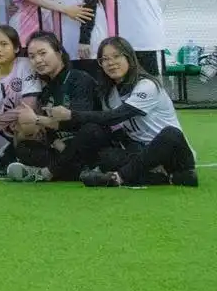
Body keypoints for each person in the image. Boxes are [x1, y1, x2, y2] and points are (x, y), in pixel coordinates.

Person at [54, 37, 197, 188]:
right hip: (142, 152)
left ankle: (117, 178)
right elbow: (121, 133)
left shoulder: (147, 85)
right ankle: (164, 177)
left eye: (116, 56)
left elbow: (115, 116)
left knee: (171, 133)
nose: (111, 63)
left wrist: (72, 115)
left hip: (172, 153)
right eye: (105, 59)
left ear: (129, 58)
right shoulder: (109, 94)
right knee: (106, 156)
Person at [5, 32, 106, 183]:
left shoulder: (80, 79)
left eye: (43, 53)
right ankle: (78, 171)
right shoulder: (46, 91)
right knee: (24, 148)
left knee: (91, 130)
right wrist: (56, 143)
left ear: (59, 53)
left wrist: (37, 119)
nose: (38, 60)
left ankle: (47, 172)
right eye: (32, 57)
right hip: (64, 150)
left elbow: (78, 119)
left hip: (87, 144)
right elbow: (51, 132)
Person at [0, 24, 42, 171]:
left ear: (16, 48)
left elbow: (28, 105)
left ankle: (20, 158)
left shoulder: (26, 66)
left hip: (23, 126)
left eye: (4, 44)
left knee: (26, 119)